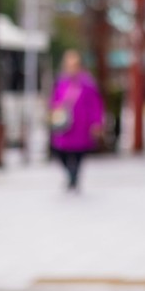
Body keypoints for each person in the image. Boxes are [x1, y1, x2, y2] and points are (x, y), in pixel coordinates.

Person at [48, 50, 104, 193]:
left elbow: (95, 104)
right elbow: (54, 100)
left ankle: (74, 176)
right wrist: (53, 112)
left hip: (81, 125)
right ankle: (70, 174)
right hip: (65, 124)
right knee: (60, 151)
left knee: (80, 152)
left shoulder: (87, 84)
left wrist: (96, 122)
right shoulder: (61, 82)